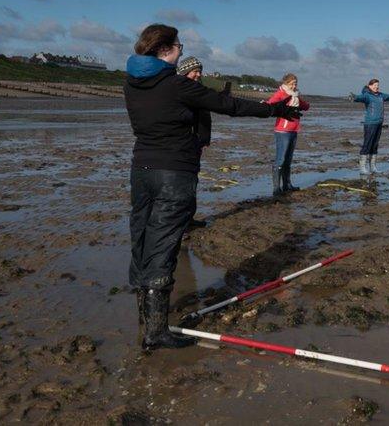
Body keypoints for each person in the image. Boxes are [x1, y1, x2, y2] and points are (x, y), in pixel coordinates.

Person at [124, 24, 299, 350]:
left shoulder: (132, 82)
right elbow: (230, 106)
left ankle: (144, 319)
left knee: (142, 236)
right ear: (164, 50)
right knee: (163, 244)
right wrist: (275, 108)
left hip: (141, 170)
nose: (181, 49)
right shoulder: (175, 84)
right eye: (178, 45)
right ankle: (156, 332)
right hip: (173, 173)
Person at [176, 56, 212, 228]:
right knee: (183, 184)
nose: (198, 74)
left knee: (192, 182)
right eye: (195, 71)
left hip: (195, 142)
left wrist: (205, 139)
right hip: (181, 144)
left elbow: (205, 118)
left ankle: (188, 220)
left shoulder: (199, 90)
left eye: (200, 71)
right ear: (185, 72)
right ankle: (182, 223)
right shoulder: (179, 91)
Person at [267, 73, 310, 196]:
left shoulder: (295, 96)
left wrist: (304, 103)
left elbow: (305, 106)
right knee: (280, 159)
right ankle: (276, 188)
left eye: (295, 83)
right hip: (283, 131)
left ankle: (287, 185)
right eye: (292, 83)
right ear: (286, 83)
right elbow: (270, 104)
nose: (294, 85)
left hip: (294, 130)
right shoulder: (281, 94)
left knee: (288, 160)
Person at [351, 79, 389, 175]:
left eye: (378, 85)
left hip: (379, 123)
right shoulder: (367, 95)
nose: (377, 87)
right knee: (367, 145)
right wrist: (354, 97)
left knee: (375, 145)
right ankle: (362, 168)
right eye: (375, 85)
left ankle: (373, 168)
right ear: (370, 86)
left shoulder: (380, 95)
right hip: (370, 124)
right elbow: (360, 98)